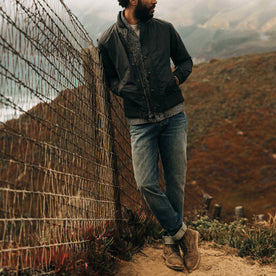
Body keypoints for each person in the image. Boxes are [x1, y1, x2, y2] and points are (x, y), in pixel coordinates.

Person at [97, 0, 200, 272]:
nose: (156, 1)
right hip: (140, 123)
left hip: (174, 116)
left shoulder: (165, 29)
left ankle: (171, 243)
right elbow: (109, 79)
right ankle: (184, 234)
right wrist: (125, 89)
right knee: (145, 183)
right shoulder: (107, 40)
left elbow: (185, 62)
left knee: (175, 183)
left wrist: (175, 79)